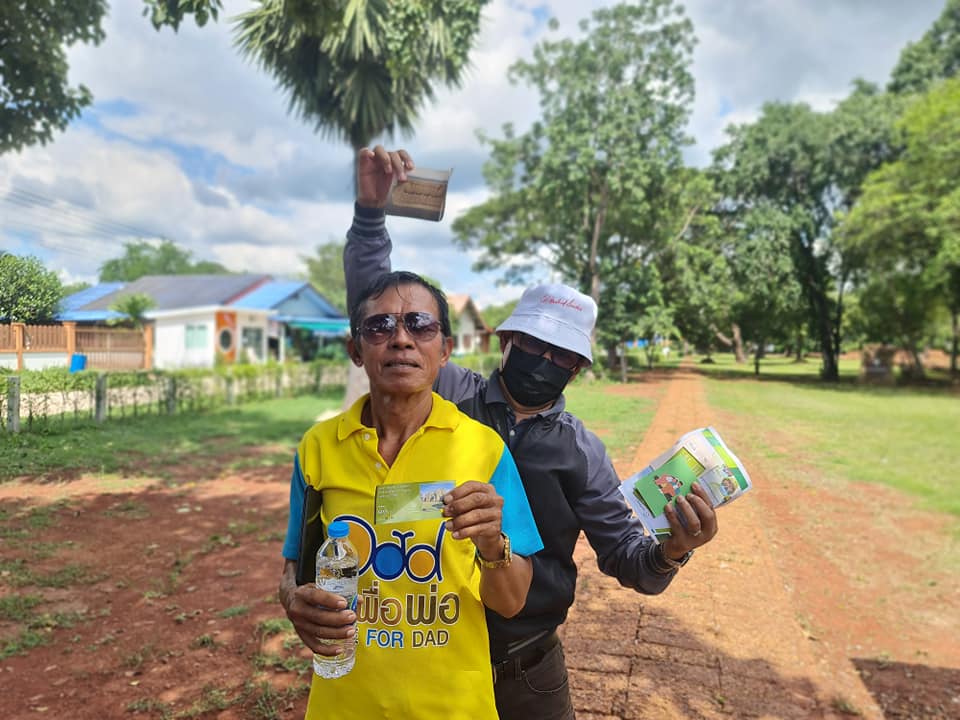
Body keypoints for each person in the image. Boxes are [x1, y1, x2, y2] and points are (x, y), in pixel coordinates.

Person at [335, 146, 721, 720]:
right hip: (425, 650)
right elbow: (380, 317)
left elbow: (629, 559)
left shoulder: (581, 452)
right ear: (505, 341)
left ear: (578, 369)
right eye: (534, 344)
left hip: (524, 666)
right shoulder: (447, 391)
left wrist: (674, 549)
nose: (545, 360)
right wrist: (370, 217)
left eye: (562, 355)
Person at [278, 270, 543, 719]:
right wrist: (293, 601)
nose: (401, 339)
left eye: (420, 325)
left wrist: (492, 543)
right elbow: (294, 571)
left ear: (445, 350)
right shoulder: (317, 449)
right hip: (345, 704)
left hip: (453, 705)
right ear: (355, 350)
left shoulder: (484, 449)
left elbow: (511, 602)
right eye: (379, 326)